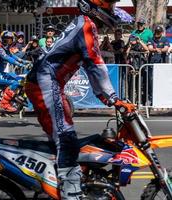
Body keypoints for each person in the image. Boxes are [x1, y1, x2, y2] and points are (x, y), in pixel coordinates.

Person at [25, 0, 136, 199]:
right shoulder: (86, 26)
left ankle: (62, 181)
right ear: (96, 6)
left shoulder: (85, 24)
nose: (111, 10)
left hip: (49, 83)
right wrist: (113, 99)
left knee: (67, 136)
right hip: (45, 83)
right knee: (66, 138)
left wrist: (109, 99)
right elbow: (95, 63)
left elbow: (91, 67)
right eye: (109, 6)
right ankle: (70, 192)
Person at [0, 31, 30, 112]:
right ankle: (4, 103)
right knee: (15, 82)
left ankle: (13, 99)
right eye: (6, 39)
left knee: (18, 79)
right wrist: (20, 65)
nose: (7, 41)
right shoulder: (0, 50)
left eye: (9, 40)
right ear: (2, 40)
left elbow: (13, 57)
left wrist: (25, 62)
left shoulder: (6, 50)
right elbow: (7, 58)